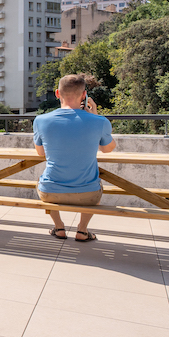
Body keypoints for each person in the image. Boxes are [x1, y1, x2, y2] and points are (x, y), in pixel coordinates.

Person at [33, 74, 116, 242]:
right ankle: (82, 230)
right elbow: (107, 149)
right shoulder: (100, 121)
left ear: (57, 93)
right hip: (88, 194)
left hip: (50, 193)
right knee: (96, 183)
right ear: (84, 95)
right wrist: (95, 115)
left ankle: (59, 227)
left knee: (43, 180)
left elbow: (40, 153)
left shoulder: (40, 120)